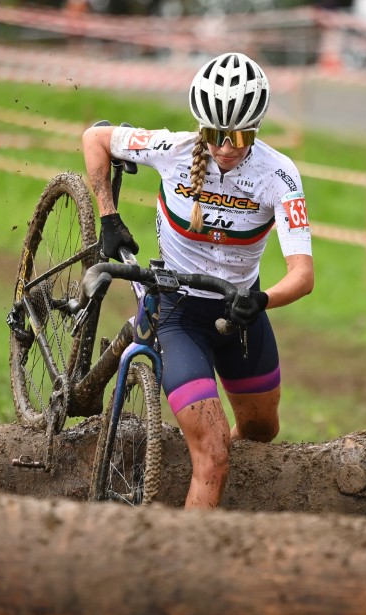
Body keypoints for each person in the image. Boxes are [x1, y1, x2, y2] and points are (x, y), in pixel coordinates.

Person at [81, 52, 314, 509]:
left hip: (238, 309)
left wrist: (261, 300)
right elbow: (95, 138)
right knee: (212, 455)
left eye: (240, 135)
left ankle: (212, 477)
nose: (226, 146)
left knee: (263, 431)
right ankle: (186, 564)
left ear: (258, 128)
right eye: (214, 134)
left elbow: (302, 275)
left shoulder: (279, 175)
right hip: (178, 313)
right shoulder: (172, 149)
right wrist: (108, 216)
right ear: (199, 126)